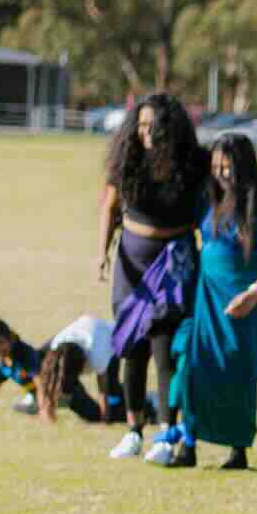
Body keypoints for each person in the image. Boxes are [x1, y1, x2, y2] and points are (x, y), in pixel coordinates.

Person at [98, 92, 209, 465]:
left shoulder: (192, 166)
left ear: (171, 129)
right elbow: (109, 207)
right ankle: (132, 431)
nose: (146, 132)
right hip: (131, 263)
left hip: (173, 265)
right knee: (132, 348)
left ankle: (165, 434)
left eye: (154, 126)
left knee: (164, 351)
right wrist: (103, 252)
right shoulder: (126, 162)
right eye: (141, 125)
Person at [169, 132, 257, 470]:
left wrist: (254, 293)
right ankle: (187, 443)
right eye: (216, 166)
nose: (221, 173)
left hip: (249, 305)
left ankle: (238, 449)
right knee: (192, 364)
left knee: (239, 373)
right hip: (205, 299)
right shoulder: (206, 197)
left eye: (228, 167)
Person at [0, 318, 106, 424]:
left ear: (10, 337)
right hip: (38, 395)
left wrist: (47, 411)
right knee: (19, 408)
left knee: (94, 416)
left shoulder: (25, 354)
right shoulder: (0, 360)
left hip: (61, 388)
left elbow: (41, 384)